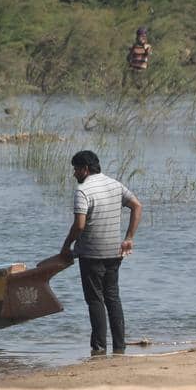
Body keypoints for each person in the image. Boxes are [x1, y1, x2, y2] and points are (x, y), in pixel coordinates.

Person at [59, 150, 142, 356]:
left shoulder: (83, 190)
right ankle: (120, 347)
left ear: (85, 169)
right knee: (113, 298)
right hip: (114, 253)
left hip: (91, 255)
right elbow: (136, 206)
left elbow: (79, 225)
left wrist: (67, 245)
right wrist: (129, 238)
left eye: (76, 169)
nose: (74, 174)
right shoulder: (115, 184)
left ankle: (98, 348)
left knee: (95, 300)